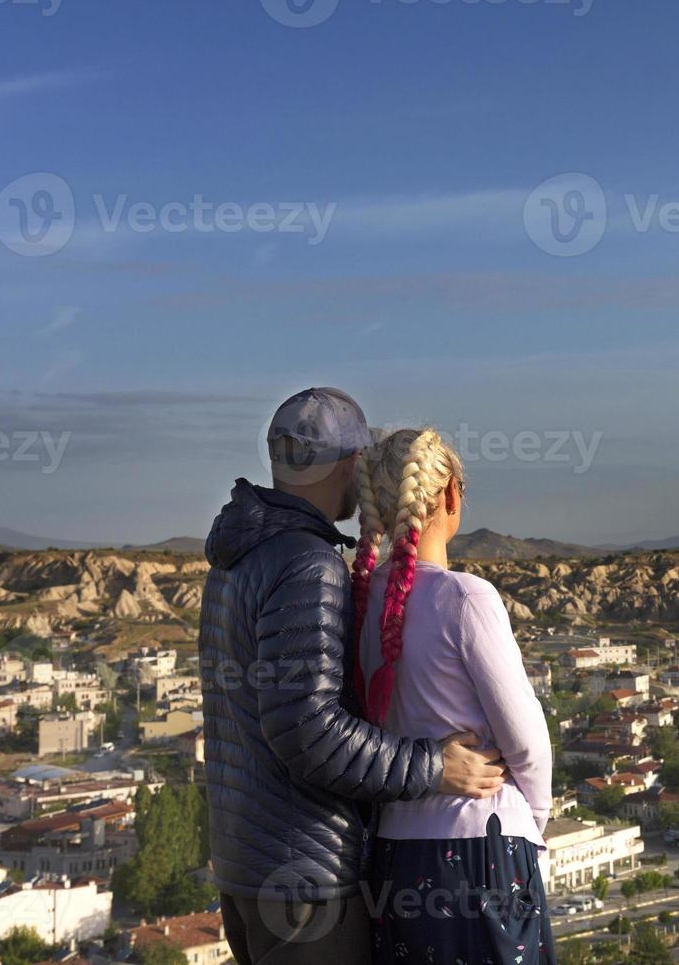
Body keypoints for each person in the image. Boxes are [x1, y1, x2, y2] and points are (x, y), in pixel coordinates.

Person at [198, 388, 508, 965]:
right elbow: (309, 732)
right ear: (349, 462)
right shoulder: (306, 564)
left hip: (248, 864)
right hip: (307, 880)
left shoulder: (237, 557)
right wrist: (436, 766)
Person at [352, 428, 555, 964]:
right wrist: (527, 823)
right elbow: (526, 740)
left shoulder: (356, 603)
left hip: (393, 856)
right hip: (483, 851)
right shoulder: (466, 597)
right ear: (450, 496)